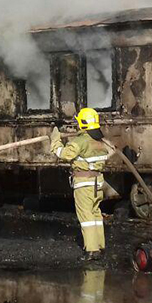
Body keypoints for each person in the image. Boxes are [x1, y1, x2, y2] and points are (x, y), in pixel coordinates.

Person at [50, 107, 109, 261]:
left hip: (84, 184)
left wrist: (55, 139)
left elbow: (63, 154)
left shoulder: (81, 141)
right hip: (97, 183)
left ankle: (91, 250)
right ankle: (100, 246)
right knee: (96, 214)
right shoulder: (99, 141)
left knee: (86, 216)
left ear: (83, 123)